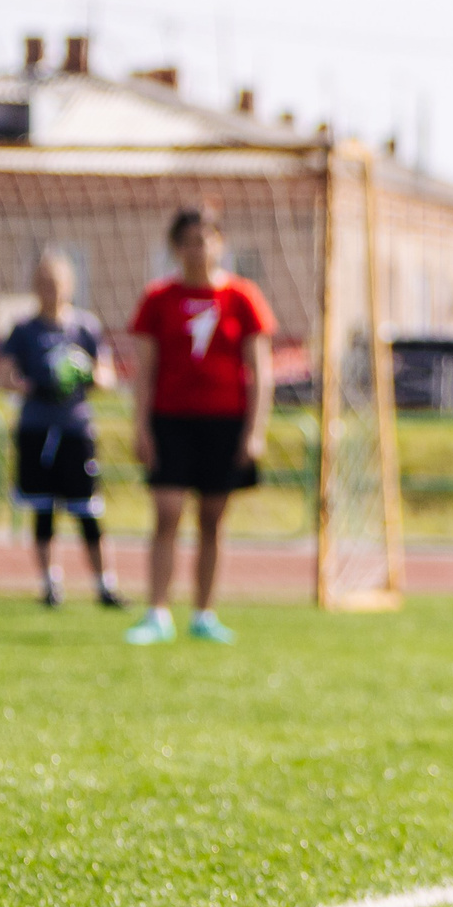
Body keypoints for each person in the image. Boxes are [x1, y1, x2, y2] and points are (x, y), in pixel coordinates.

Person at [125, 205, 274, 645]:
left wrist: (255, 430)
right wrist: (141, 427)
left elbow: (260, 370)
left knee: (213, 518)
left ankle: (204, 613)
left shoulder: (243, 297)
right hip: (170, 420)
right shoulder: (158, 299)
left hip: (224, 421)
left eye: (206, 238)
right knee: (167, 512)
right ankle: (157, 612)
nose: (198, 248)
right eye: (189, 240)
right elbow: (145, 369)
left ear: (220, 243)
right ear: (176, 247)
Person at [0, 251, 123, 608]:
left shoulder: (85, 327)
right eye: (43, 283)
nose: (49, 290)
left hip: (75, 429)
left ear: (69, 286)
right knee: (43, 509)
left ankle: (104, 585)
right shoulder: (23, 330)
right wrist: (36, 384)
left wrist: (85, 375)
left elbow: (108, 376)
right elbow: (4, 377)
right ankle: (50, 585)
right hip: (37, 427)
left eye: (56, 283)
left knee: (87, 510)